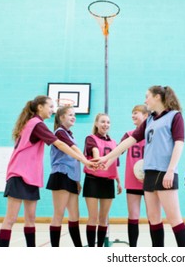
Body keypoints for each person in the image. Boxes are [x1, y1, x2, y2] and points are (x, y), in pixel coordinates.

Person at [96, 86, 185, 247]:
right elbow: (129, 141)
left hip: (165, 172)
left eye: (147, 96)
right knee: (153, 218)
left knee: (174, 218)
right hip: (149, 173)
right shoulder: (150, 120)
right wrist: (107, 158)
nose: (145, 100)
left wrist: (171, 170)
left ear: (158, 97)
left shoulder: (175, 116)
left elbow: (179, 144)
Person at [0, 95, 96, 247]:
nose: (52, 110)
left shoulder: (37, 124)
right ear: (40, 107)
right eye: (50, 107)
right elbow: (60, 144)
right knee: (11, 219)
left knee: (30, 219)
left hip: (30, 176)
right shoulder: (37, 124)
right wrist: (84, 160)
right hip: (18, 174)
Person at [46, 106, 84, 247]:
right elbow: (73, 150)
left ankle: (78, 248)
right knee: (59, 214)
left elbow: (74, 161)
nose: (73, 117)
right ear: (61, 117)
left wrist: (78, 180)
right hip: (61, 175)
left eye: (74, 115)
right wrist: (86, 160)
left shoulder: (69, 134)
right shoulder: (60, 132)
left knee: (75, 215)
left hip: (72, 178)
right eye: (70, 115)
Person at [83, 113, 122, 247]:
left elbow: (114, 164)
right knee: (93, 218)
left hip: (108, 181)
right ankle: (91, 247)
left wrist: (118, 181)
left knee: (103, 219)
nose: (106, 124)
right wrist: (98, 160)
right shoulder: (91, 138)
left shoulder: (114, 143)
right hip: (92, 180)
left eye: (108, 122)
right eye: (103, 122)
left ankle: (100, 247)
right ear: (96, 123)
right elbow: (95, 152)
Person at [119, 104, 149, 247]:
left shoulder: (152, 133)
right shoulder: (128, 134)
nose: (132, 115)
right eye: (132, 113)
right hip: (132, 179)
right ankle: (133, 248)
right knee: (133, 216)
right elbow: (118, 151)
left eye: (135, 112)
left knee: (153, 217)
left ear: (146, 116)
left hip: (150, 180)